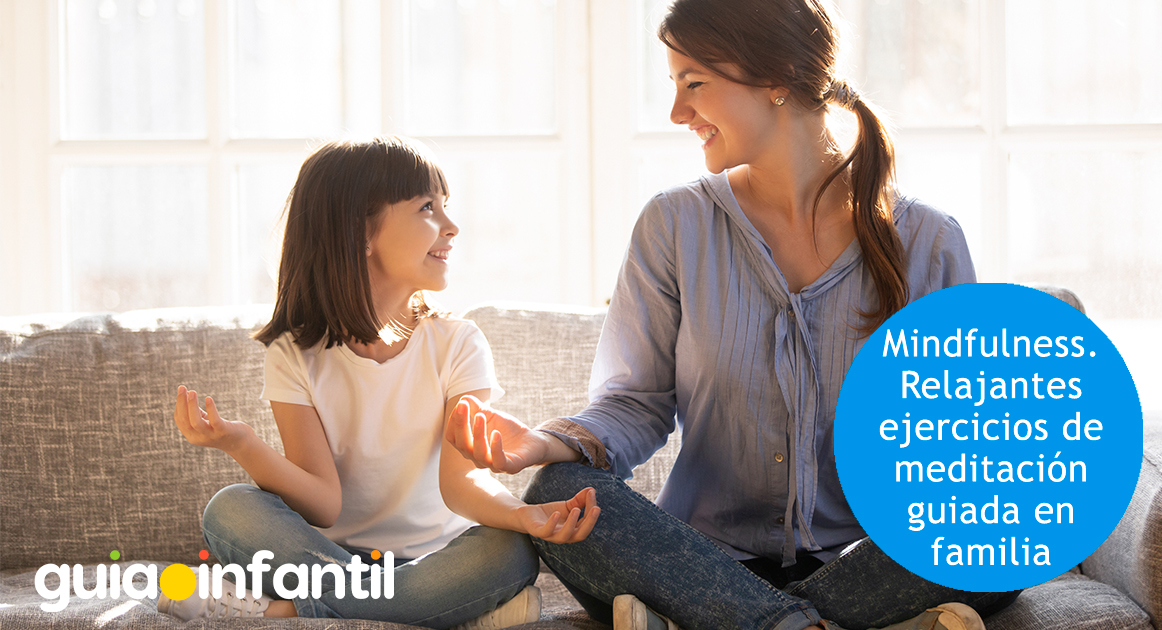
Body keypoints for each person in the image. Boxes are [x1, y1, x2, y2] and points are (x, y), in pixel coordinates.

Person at [444, 1, 1021, 629]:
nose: (676, 112)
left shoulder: (929, 241)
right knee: (557, 489)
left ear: (779, 78)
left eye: (695, 83)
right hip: (703, 562)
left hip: (865, 563)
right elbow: (636, 404)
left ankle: (729, 622)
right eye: (673, 85)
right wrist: (543, 443)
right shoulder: (674, 225)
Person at [160, 137, 600, 628]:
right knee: (231, 510)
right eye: (428, 207)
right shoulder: (294, 354)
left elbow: (461, 483)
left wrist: (522, 517)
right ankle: (437, 611)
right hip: (329, 555)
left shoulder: (458, 343)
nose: (452, 228)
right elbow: (324, 505)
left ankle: (284, 611)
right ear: (360, 233)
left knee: (510, 549)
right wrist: (241, 444)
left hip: (440, 557)